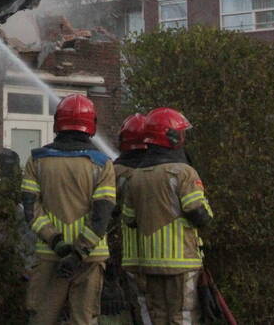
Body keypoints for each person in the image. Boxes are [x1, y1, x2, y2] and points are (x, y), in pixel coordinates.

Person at [21, 93, 116, 325]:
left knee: (41, 318)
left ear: (57, 123)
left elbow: (31, 210)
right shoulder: (102, 164)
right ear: (91, 125)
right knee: (83, 319)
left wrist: (58, 244)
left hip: (49, 256)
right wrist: (78, 253)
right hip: (90, 259)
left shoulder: (36, 161)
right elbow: (101, 217)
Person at [121, 107, 212, 325]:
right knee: (183, 315)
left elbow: (129, 219)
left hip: (149, 261)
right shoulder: (183, 172)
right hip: (181, 260)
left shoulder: (136, 177)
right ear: (172, 136)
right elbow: (198, 213)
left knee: (158, 315)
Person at [106, 113, 154, 325]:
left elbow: (103, 213)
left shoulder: (113, 173)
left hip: (121, 252)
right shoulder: (161, 172)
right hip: (160, 252)